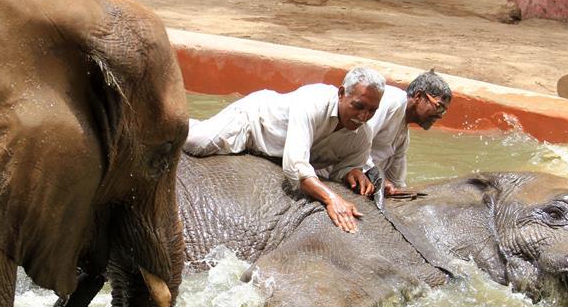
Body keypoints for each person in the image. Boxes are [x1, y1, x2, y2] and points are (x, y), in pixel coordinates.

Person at [183, 67, 386, 232]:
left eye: (372, 110)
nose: (364, 116)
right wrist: (332, 198)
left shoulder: (363, 135)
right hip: (254, 124)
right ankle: (178, 124)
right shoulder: (312, 101)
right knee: (197, 143)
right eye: (358, 106)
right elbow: (295, 167)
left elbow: (343, 169)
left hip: (281, 153)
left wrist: (352, 172)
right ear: (341, 94)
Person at [363, 70, 453, 196]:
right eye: (439, 107)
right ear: (419, 96)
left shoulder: (403, 136)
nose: (440, 116)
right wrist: (378, 178)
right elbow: (356, 144)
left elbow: (397, 181)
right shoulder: (391, 102)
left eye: (443, 111)